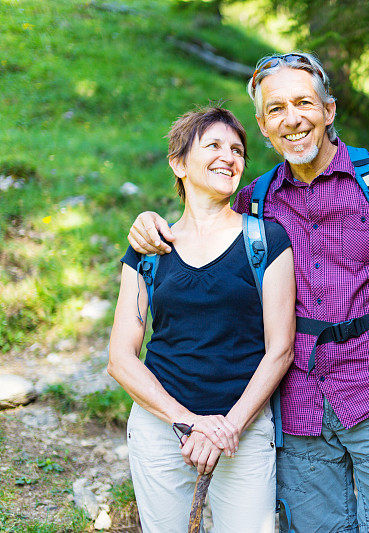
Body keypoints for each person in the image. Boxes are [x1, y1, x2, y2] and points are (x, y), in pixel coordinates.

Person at [127, 53, 369, 532]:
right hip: (299, 411)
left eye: (304, 103)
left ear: (328, 111)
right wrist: (147, 224)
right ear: (264, 127)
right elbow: (203, 228)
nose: (292, 119)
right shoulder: (256, 199)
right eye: (276, 110)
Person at [109, 106, 295, 533]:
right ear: (179, 163)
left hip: (242, 431)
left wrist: (226, 428)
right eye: (212, 145)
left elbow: (280, 350)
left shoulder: (266, 240)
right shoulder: (149, 248)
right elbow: (120, 358)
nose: (228, 157)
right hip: (162, 426)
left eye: (237, 149)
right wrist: (188, 422)